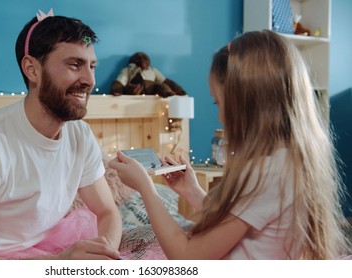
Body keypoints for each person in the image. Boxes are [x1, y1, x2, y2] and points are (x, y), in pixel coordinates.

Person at [109, 30, 351, 259]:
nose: (220, 118)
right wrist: (192, 191)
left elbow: (186, 256)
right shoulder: (289, 159)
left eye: (218, 104)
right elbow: (238, 221)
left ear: (247, 105)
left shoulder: (266, 171)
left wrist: (146, 188)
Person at [0, 11, 122, 260]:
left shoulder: (80, 134)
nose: (90, 80)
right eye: (75, 65)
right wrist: (60, 265)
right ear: (32, 69)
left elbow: (107, 212)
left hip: (45, 253)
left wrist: (102, 257)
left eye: (92, 66)